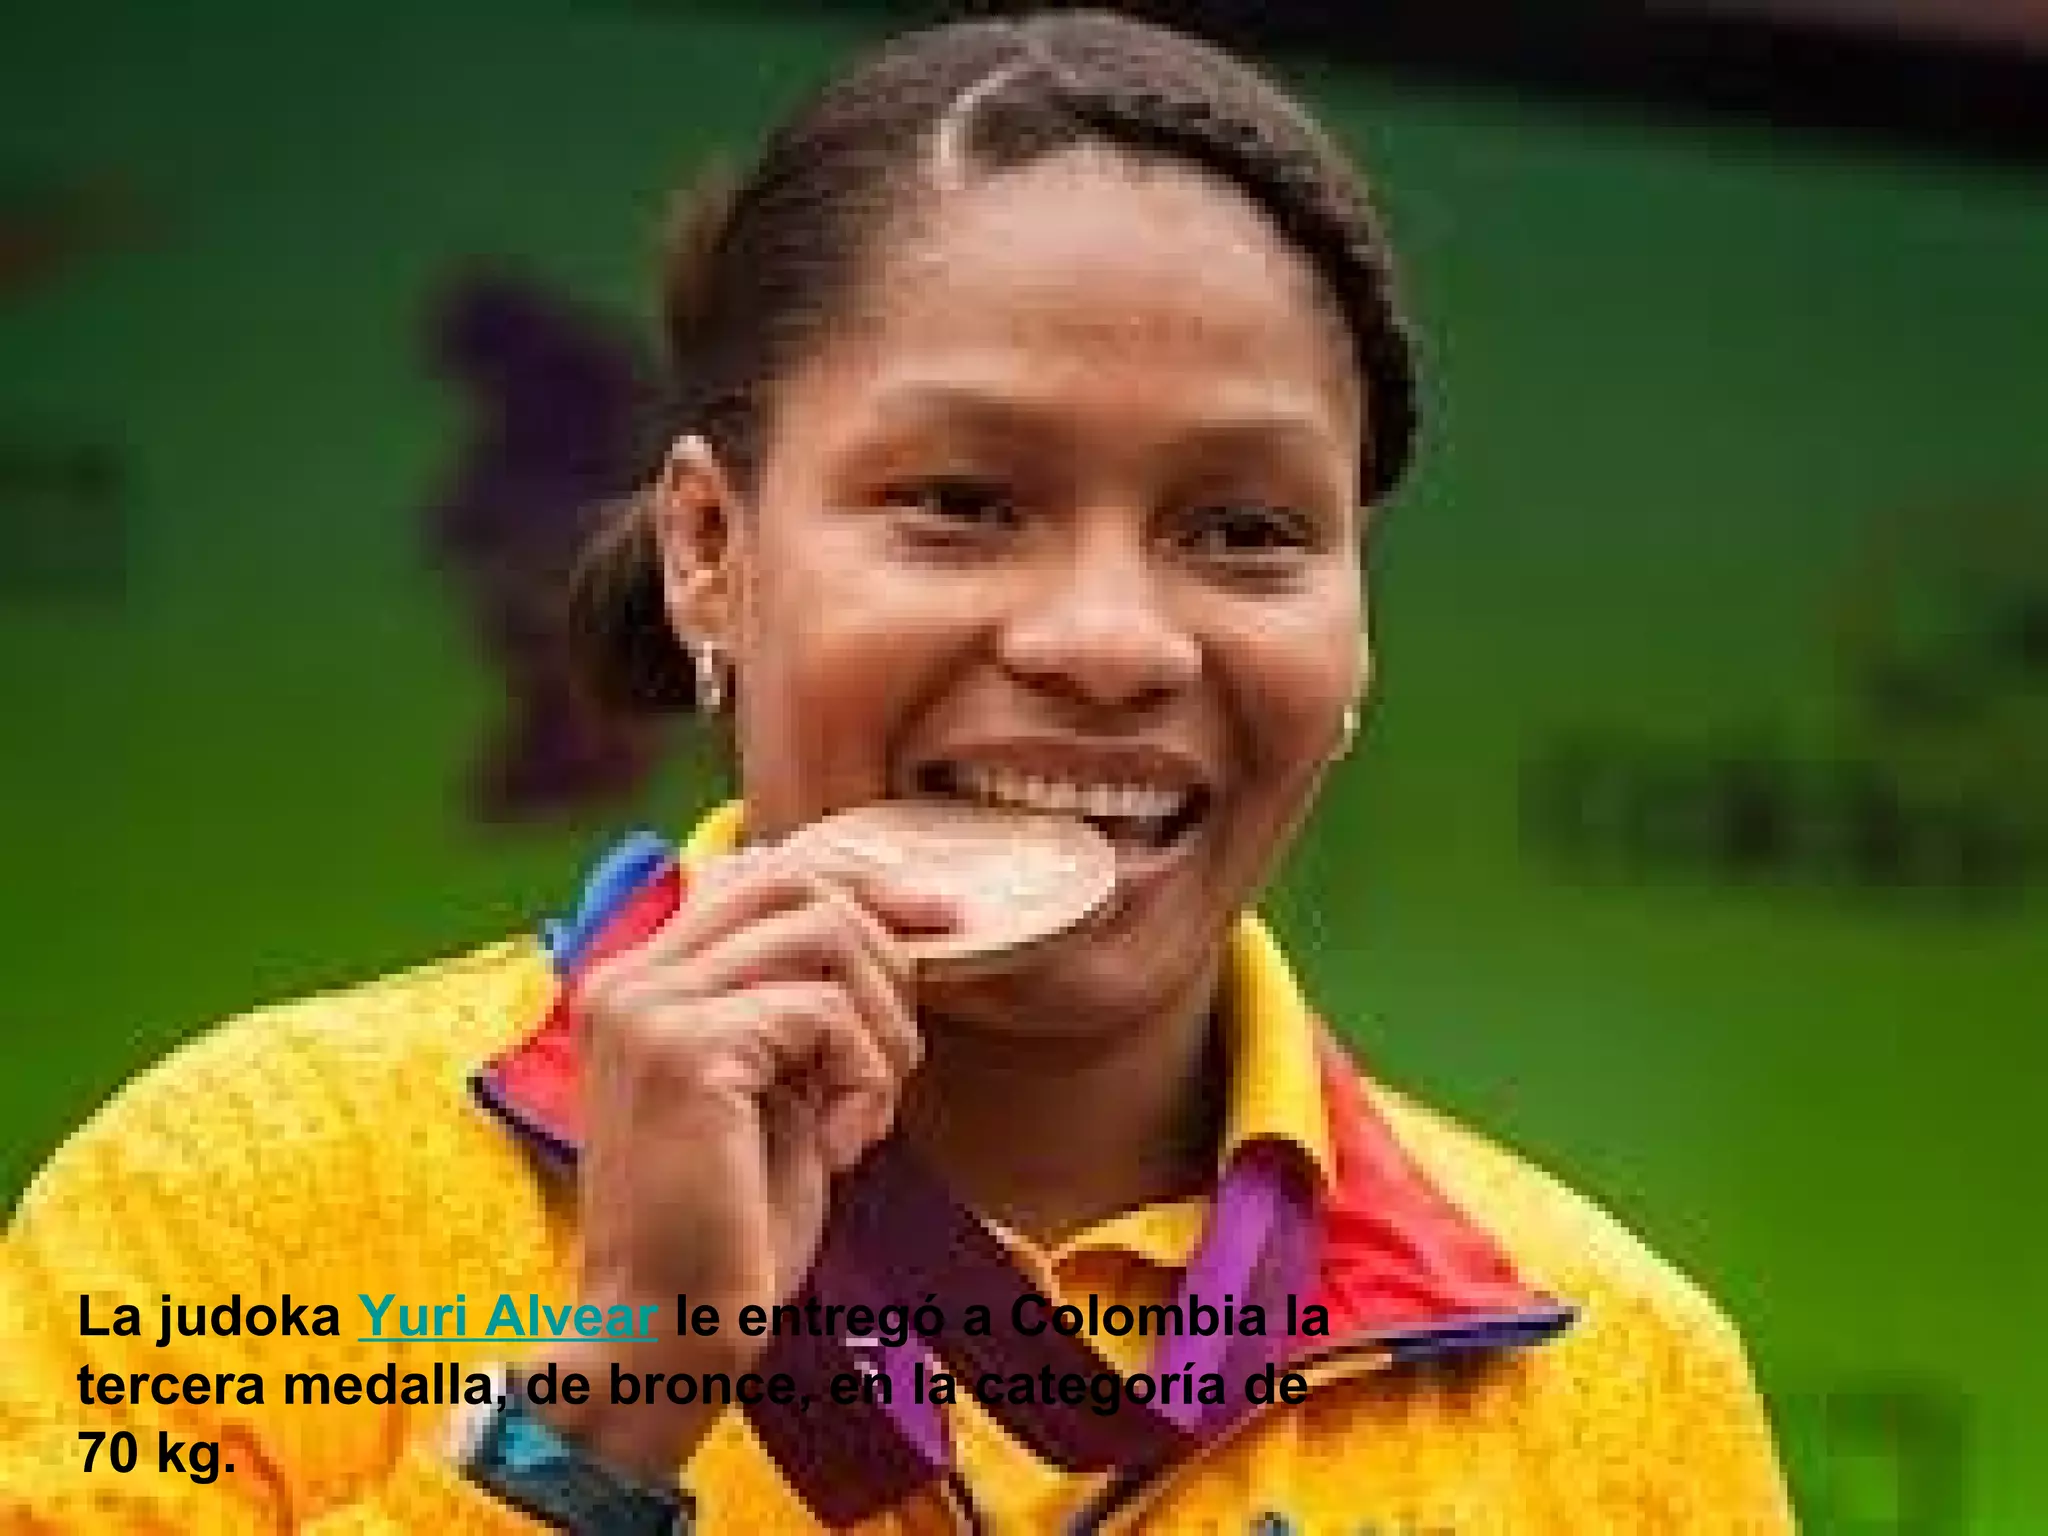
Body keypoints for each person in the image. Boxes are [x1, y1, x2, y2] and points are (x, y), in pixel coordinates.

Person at [2, 12, 1795, 1533]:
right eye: (962, 501)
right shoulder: (236, 1205)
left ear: (1358, 629)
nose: (1111, 638)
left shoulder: (1617, 1389)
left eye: (1244, 529)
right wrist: (602, 1397)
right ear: (712, 545)